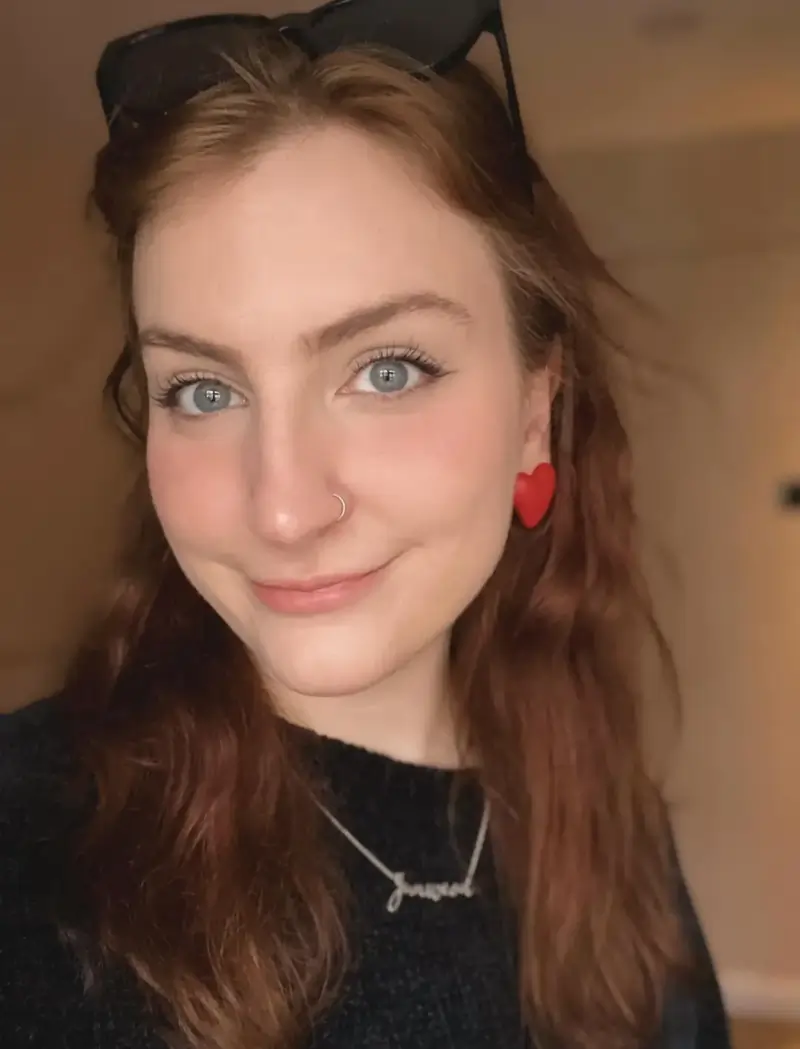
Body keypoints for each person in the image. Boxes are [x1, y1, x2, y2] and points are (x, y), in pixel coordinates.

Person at [0, 3, 731, 1048]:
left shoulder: (606, 823)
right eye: (203, 390)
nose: (284, 507)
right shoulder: (30, 838)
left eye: (386, 370)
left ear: (535, 413)